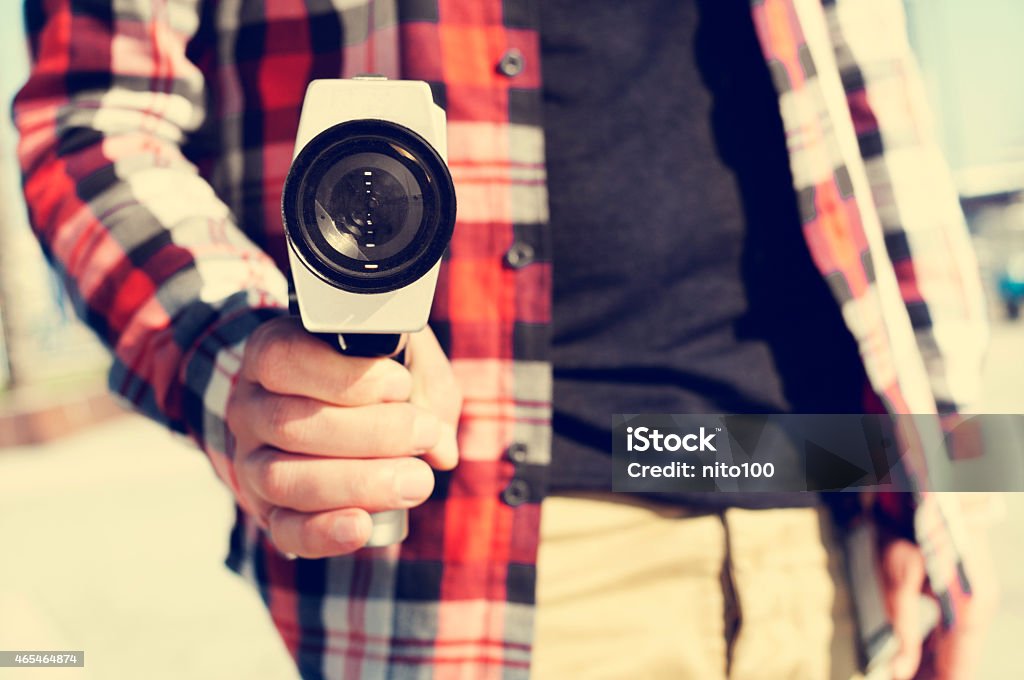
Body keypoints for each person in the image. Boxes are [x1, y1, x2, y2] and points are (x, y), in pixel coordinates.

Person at [14, 0, 998, 678]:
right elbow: (94, 117)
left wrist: (932, 477)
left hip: (827, 502)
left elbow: (867, 103)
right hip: (505, 553)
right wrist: (240, 360)